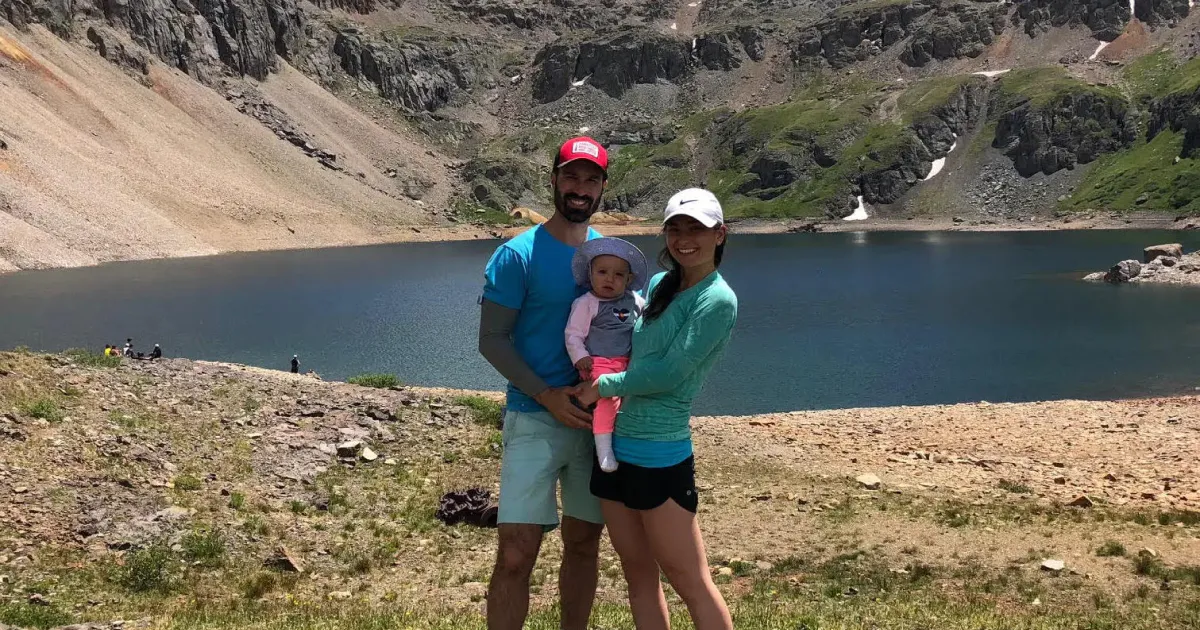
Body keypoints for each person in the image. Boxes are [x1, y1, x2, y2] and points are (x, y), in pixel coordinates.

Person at [575, 188, 738, 630]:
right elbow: (631, 347)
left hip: (660, 452)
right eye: (675, 228)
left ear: (720, 235)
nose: (685, 239)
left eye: (697, 229)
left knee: (690, 580)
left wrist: (602, 386)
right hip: (616, 448)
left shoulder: (717, 300)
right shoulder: (664, 285)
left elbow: (670, 372)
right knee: (638, 575)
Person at [477, 136, 610, 630]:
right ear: (553, 180)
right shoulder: (517, 255)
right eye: (571, 177)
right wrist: (546, 394)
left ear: (602, 189)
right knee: (515, 553)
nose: (580, 188)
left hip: (594, 424)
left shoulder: (609, 258)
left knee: (583, 544)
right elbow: (492, 339)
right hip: (533, 416)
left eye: (591, 179)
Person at [565, 237, 647, 473]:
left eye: (619, 275)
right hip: (599, 362)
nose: (609, 279)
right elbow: (573, 334)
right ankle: (604, 451)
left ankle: (623, 442)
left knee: (628, 402)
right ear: (590, 275)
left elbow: (649, 317)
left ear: (629, 280)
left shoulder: (634, 300)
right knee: (607, 399)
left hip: (627, 362)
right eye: (602, 272)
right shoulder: (587, 303)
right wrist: (579, 356)